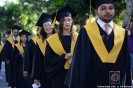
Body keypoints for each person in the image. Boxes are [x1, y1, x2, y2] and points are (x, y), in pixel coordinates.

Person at [65, 0, 132, 88]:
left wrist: (127, 84)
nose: (108, 11)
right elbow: (79, 60)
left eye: (111, 8)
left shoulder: (122, 33)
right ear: (96, 12)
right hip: (92, 81)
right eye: (103, 8)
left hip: (116, 80)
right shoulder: (86, 32)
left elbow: (126, 62)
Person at [45, 5, 78, 88]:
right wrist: (64, 57)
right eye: (64, 20)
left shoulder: (79, 37)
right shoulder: (52, 40)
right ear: (60, 22)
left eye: (69, 20)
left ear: (72, 21)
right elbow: (49, 58)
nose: (67, 22)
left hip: (75, 73)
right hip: (59, 74)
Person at [31, 13, 56, 88]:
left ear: (53, 25)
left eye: (49, 24)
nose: (48, 27)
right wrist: (36, 77)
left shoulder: (60, 39)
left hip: (59, 72)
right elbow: (37, 61)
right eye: (45, 25)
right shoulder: (40, 42)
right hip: (45, 73)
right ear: (43, 28)